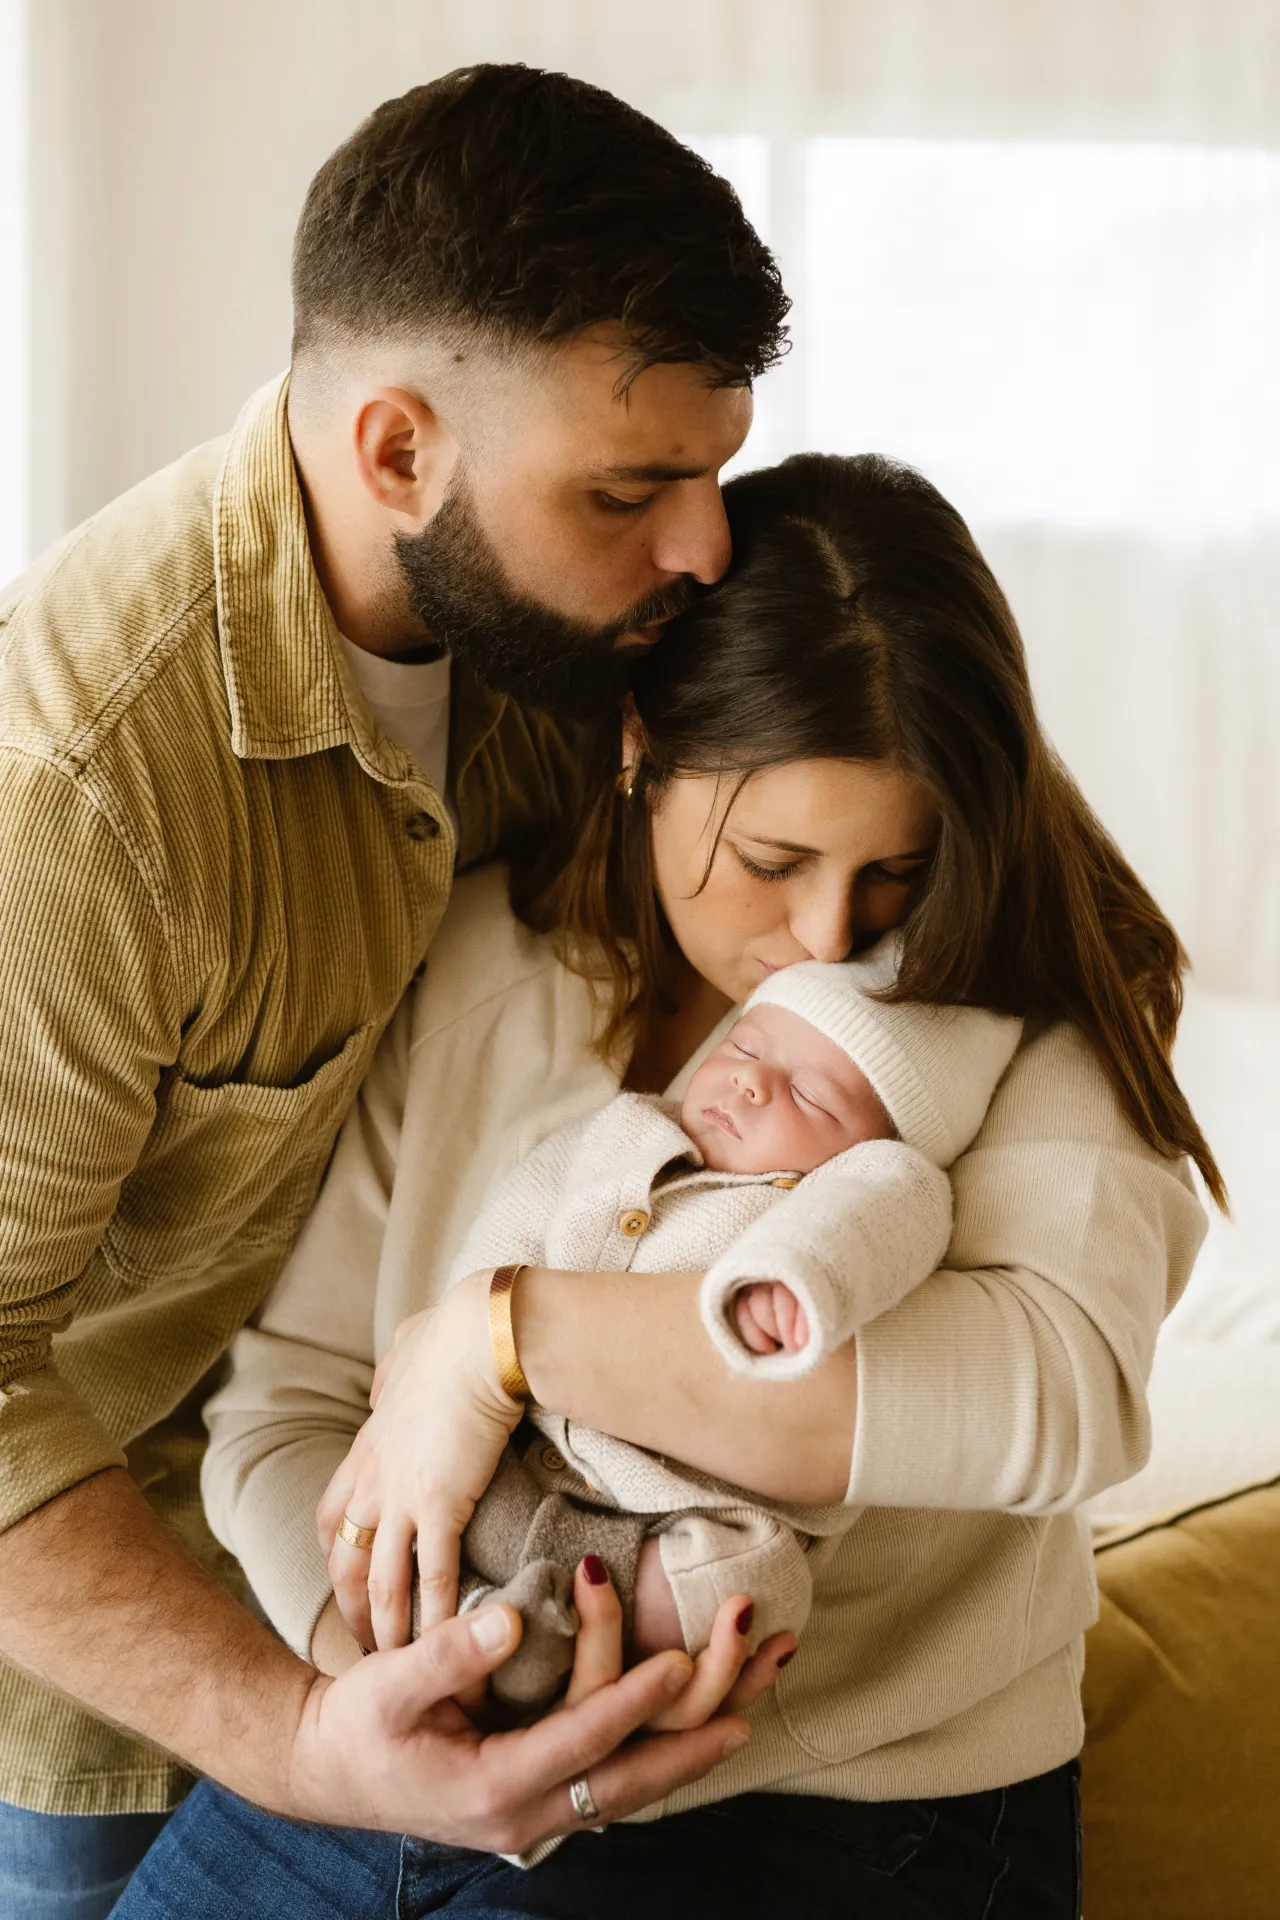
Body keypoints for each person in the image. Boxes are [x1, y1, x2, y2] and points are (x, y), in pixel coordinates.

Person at [118, 452, 1220, 1917]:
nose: (832, 933)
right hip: (408, 1747)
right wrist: (382, 1683)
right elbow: (292, 1403)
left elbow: (1059, 1394)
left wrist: (502, 1338)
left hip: (844, 1794)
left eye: (899, 867)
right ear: (640, 741)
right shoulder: (480, 971)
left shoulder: (1021, 1012)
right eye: (775, 858)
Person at [0, 64, 792, 1916]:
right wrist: (293, 1737)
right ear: (395, 452)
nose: (704, 548)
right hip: (119, 1669)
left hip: (467, 1549)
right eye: (633, 487)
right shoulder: (84, 794)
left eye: (716, 471)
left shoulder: (568, 638)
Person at [445, 955, 1022, 1715]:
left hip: (690, 1505)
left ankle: (526, 1638)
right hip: (532, 1451)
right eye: (747, 1047)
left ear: (872, 1145)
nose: (753, 1081)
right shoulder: (623, 1130)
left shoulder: (862, 1184)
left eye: (811, 1095)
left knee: (755, 1585)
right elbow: (516, 1222)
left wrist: (791, 1281)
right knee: (441, 1500)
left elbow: (885, 1217)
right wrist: (448, 1341)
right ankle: (483, 1622)